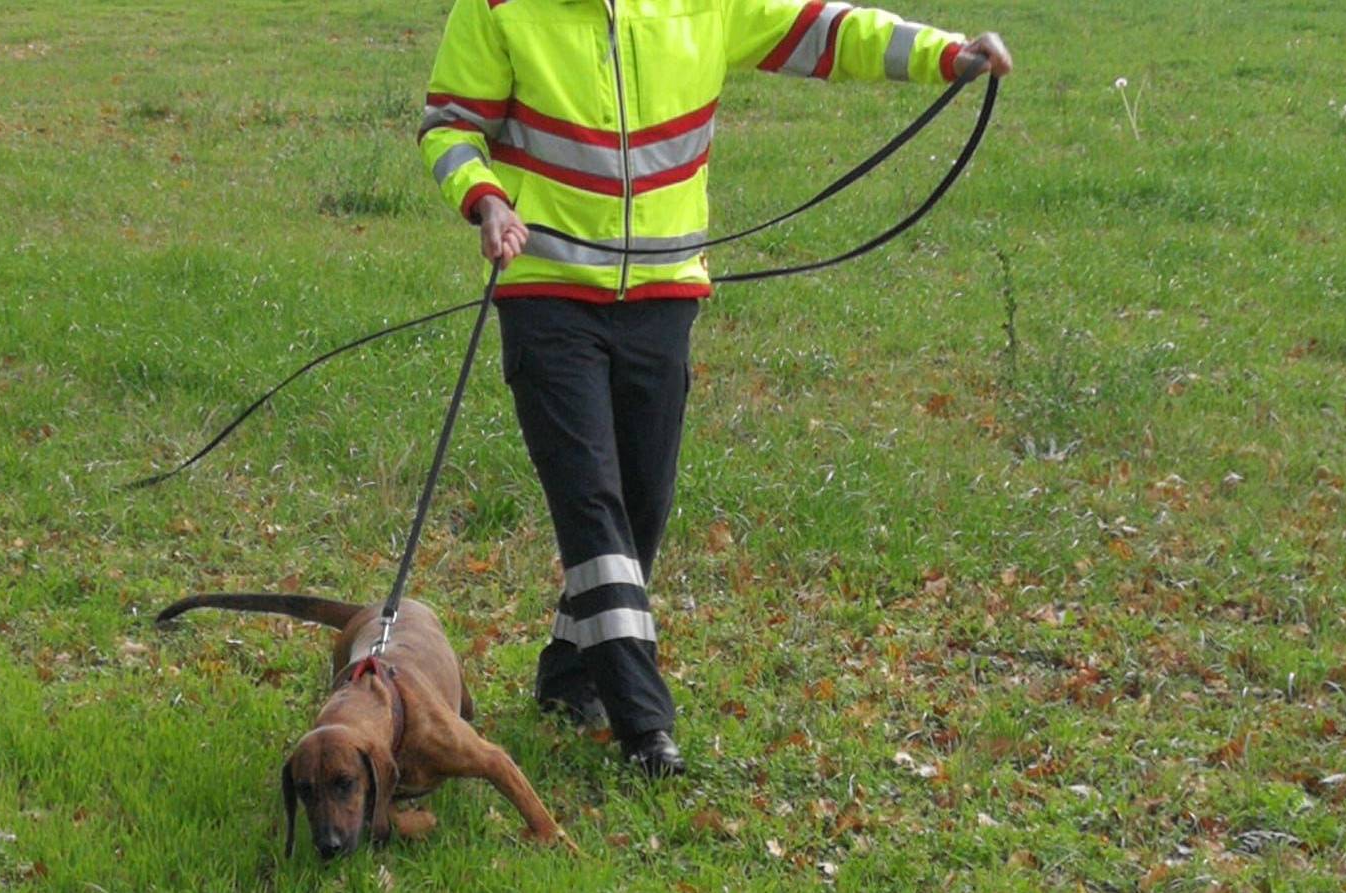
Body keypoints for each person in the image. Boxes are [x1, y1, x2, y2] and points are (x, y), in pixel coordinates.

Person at [418, 0, 1011, 777]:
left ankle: (570, 671)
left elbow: (823, 30)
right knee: (591, 503)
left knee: (641, 504)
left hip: (662, 297)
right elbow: (449, 125)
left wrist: (947, 55)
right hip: (547, 296)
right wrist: (486, 199)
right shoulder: (501, 8)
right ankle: (642, 724)